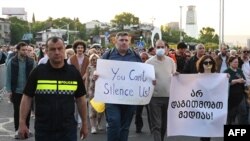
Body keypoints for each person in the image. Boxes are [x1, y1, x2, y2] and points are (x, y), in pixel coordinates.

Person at [18, 36, 88, 140]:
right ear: (46, 51)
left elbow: (81, 100)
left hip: (67, 130)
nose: (57, 52)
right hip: (44, 130)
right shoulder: (38, 72)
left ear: (64, 50)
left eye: (60, 48)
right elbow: (27, 97)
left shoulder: (73, 73)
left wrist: (84, 123)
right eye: (52, 49)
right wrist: (22, 123)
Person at [99, 32, 142, 141]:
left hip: (130, 98)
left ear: (130, 42)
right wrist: (96, 76)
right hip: (112, 98)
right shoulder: (108, 55)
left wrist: (149, 81)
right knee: (114, 122)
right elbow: (100, 72)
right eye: (121, 40)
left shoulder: (136, 56)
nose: (124, 42)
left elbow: (141, 75)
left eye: (126, 40)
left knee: (125, 127)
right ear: (116, 41)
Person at [146, 40, 176, 141]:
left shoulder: (171, 61)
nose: (160, 49)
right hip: (154, 98)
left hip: (168, 97)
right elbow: (143, 78)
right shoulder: (149, 62)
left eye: (162, 47)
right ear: (154, 49)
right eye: (158, 47)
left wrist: (177, 75)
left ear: (166, 48)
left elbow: (174, 75)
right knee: (156, 125)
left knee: (164, 125)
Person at [5, 42, 36, 139]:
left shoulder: (32, 62)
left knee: (26, 111)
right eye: (23, 50)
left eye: (27, 50)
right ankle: (17, 130)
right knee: (17, 111)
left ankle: (26, 129)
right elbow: (8, 77)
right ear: (18, 50)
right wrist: (9, 90)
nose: (25, 51)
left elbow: (35, 77)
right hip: (16, 91)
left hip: (28, 92)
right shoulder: (12, 62)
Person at [196, 55, 217, 141]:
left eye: (210, 62)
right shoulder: (197, 76)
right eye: (206, 62)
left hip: (212, 106)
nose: (208, 64)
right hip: (201, 106)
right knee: (204, 130)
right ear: (202, 64)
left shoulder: (217, 77)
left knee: (209, 130)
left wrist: (226, 78)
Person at [224, 56, 246, 125]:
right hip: (231, 97)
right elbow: (226, 83)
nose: (237, 63)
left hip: (241, 95)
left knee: (243, 113)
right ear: (230, 63)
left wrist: (243, 81)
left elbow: (244, 79)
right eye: (235, 62)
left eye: (237, 62)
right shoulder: (226, 72)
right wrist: (237, 81)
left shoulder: (239, 70)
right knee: (231, 115)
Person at [85, 53, 104, 134]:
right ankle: (93, 126)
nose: (94, 61)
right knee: (92, 109)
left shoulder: (103, 68)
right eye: (92, 60)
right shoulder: (89, 68)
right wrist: (86, 90)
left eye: (96, 59)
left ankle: (99, 123)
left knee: (100, 110)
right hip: (92, 91)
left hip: (101, 91)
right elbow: (87, 80)